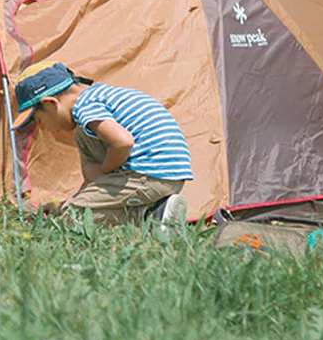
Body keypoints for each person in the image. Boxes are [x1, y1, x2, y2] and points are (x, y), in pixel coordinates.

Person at [12, 61, 192, 227]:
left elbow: (122, 142)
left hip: (149, 172)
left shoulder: (85, 107)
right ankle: (161, 210)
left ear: (50, 103)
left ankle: (150, 217)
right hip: (171, 172)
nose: (42, 129)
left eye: (39, 120)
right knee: (83, 140)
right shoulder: (100, 97)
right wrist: (67, 202)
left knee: (74, 215)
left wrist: (105, 170)